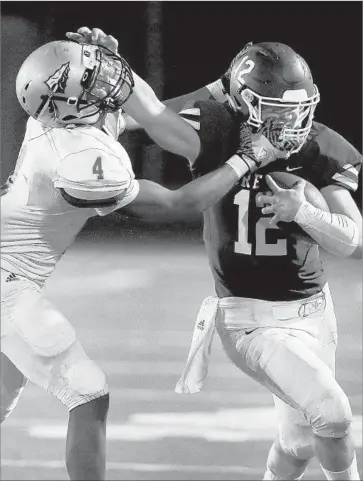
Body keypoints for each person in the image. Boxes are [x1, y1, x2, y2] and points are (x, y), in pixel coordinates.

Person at [70, 29, 363, 481]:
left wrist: (302, 212)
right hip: (248, 319)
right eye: (278, 112)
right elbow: (138, 119)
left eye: (299, 110)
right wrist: (121, 78)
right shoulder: (214, 128)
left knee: (300, 441)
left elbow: (352, 242)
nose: (293, 124)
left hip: (315, 314)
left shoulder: (323, 146)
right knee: (333, 412)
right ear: (244, 102)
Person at [0, 32, 286, 481]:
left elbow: (149, 111)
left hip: (10, 278)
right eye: (96, 80)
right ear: (73, 100)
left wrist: (217, 89)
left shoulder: (58, 118)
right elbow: (178, 205)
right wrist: (247, 159)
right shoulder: (77, 157)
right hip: (7, 286)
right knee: (88, 393)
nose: (112, 84)